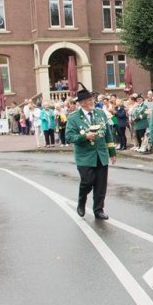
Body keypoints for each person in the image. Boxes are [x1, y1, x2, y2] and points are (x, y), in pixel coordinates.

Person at [66, 86, 117, 219]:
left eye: (92, 99)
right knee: (87, 182)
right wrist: (84, 137)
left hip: (101, 155)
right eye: (88, 100)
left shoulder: (100, 113)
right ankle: (81, 202)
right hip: (85, 157)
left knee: (101, 185)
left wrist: (112, 152)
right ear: (81, 103)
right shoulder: (73, 117)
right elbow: (69, 137)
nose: (91, 102)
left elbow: (108, 134)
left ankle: (98, 210)